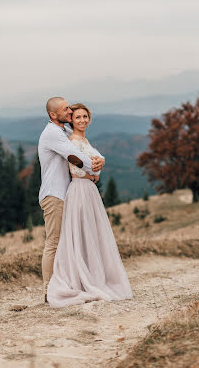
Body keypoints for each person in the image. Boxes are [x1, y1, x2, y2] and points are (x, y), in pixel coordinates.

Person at [47, 103, 133, 308]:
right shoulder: (72, 141)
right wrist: (91, 174)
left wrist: (97, 168)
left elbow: (95, 162)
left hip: (89, 191)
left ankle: (94, 274)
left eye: (85, 116)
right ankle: (82, 278)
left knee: (92, 234)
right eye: (77, 117)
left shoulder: (84, 139)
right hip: (79, 189)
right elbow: (75, 168)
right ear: (72, 120)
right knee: (81, 232)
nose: (82, 120)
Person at [38, 97, 105, 303]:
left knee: (70, 242)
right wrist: (95, 169)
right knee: (54, 242)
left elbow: (86, 148)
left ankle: (70, 282)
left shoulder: (64, 131)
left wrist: (100, 160)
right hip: (54, 195)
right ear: (53, 114)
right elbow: (75, 156)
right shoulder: (52, 134)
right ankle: (48, 290)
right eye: (65, 109)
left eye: (69, 108)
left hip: (68, 193)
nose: (69, 111)